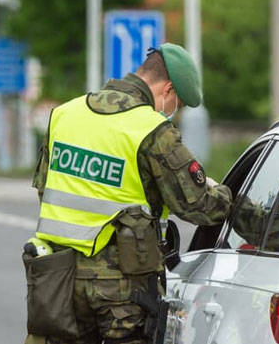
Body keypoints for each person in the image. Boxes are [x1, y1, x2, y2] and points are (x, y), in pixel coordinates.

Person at [25, 43, 233, 344]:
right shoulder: (152, 129)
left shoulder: (64, 114)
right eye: (177, 103)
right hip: (122, 291)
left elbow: (45, 188)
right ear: (168, 90)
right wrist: (223, 193)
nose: (174, 112)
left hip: (58, 280)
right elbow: (199, 206)